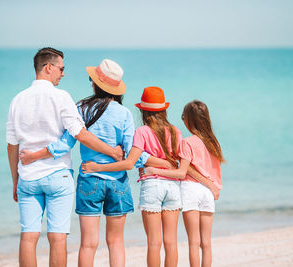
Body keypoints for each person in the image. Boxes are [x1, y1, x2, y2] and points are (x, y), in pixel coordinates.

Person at [19, 60, 169, 267]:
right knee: (116, 242)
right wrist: (165, 163)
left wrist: (35, 155)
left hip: (89, 180)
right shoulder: (124, 114)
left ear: (95, 84)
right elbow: (133, 154)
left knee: (88, 244)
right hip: (117, 183)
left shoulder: (81, 108)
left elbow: (65, 144)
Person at [6, 48, 123, 267]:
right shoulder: (61, 97)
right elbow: (81, 135)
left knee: (28, 237)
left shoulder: (18, 100)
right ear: (48, 67)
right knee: (57, 237)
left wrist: (15, 180)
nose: (63, 73)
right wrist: (112, 151)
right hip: (57, 175)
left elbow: (12, 146)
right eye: (61, 68)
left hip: (28, 178)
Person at [81, 86, 184, 267]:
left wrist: (97, 166)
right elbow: (180, 163)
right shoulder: (176, 131)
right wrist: (167, 164)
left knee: (153, 242)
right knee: (171, 242)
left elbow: (130, 162)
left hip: (152, 186)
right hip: (173, 187)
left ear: (142, 110)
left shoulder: (142, 132)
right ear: (164, 109)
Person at [141, 100, 224, 267]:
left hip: (191, 190)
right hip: (208, 193)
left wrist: (153, 171)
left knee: (194, 242)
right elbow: (210, 171)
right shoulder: (214, 143)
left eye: (183, 116)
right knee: (206, 243)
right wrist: (211, 185)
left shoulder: (187, 142)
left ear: (189, 120)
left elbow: (182, 171)